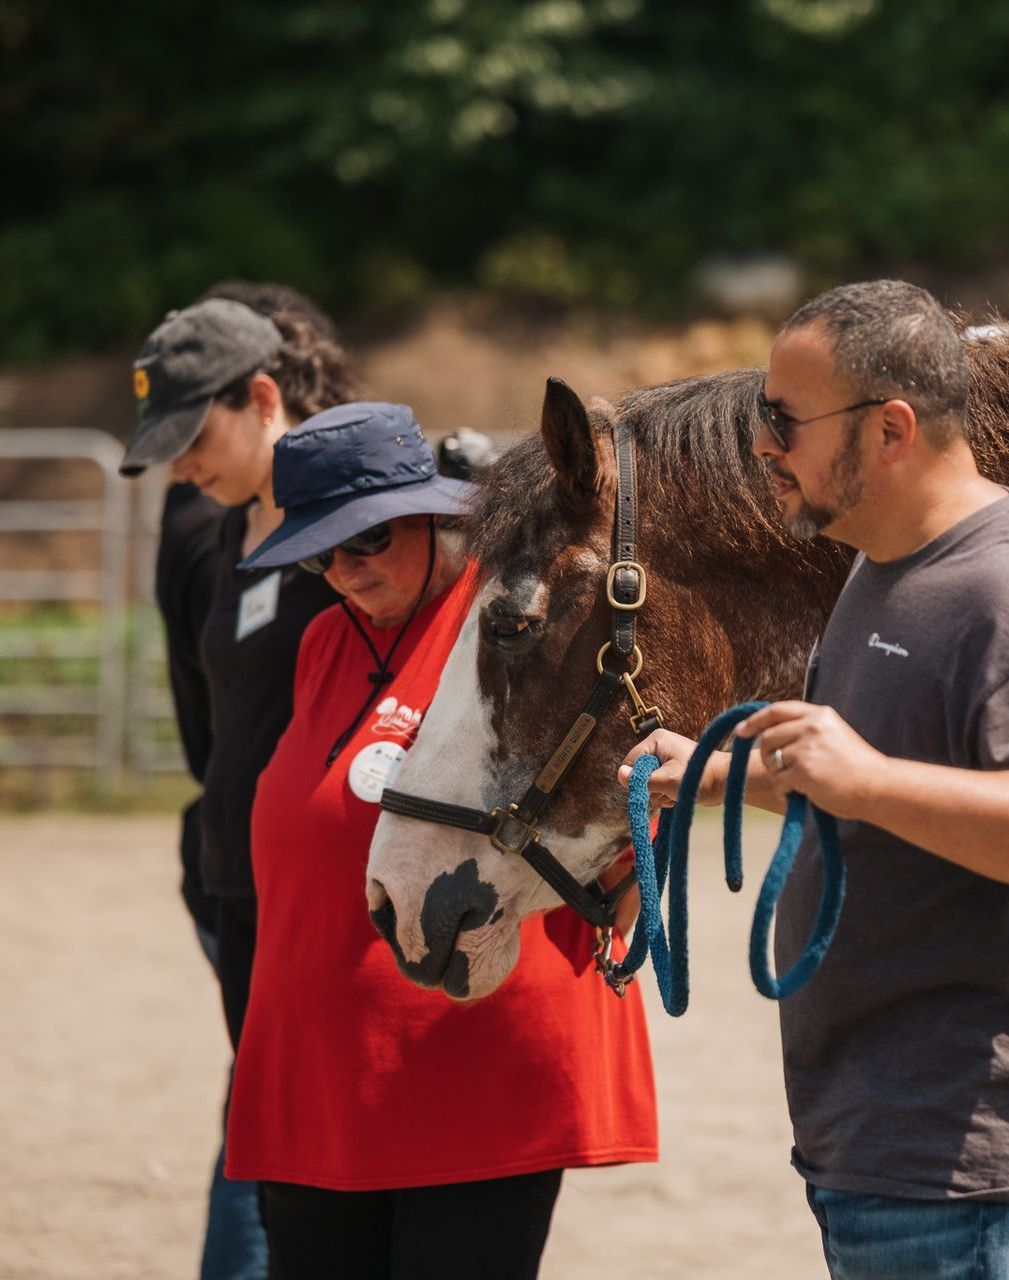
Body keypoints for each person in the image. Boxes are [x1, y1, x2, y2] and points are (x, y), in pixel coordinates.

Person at [621, 280, 1009, 1280]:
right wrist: (730, 772)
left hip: (969, 1164)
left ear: (891, 428)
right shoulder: (884, 566)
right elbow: (889, 789)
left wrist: (865, 779)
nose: (762, 446)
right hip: (893, 1150)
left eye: (783, 419)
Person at [224, 402, 657, 1280]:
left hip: (468, 1070)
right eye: (320, 551)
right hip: (317, 1074)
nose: (342, 571)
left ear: (431, 515)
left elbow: (618, 809)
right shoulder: (323, 641)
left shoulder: (510, 626)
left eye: (367, 542)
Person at [126, 284, 358, 1279]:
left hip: (335, 903)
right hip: (243, 894)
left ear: (265, 396)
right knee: (272, 1153)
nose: (179, 464)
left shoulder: (364, 525)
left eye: (192, 434)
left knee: (324, 1161)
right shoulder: (220, 529)